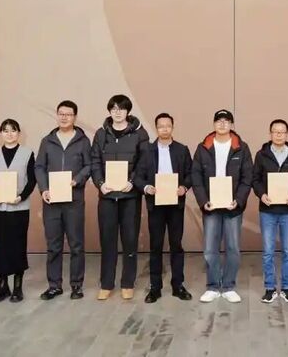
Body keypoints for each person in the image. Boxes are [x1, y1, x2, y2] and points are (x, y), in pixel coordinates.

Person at [191, 110, 253, 303]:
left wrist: (239, 200)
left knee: (233, 248)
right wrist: (203, 201)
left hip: (232, 207)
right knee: (210, 249)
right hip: (210, 206)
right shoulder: (203, 147)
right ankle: (212, 286)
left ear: (232, 125)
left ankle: (228, 286)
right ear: (213, 124)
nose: (223, 124)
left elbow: (247, 177)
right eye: (219, 121)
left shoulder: (241, 147)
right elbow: (196, 176)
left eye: (227, 121)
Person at [90, 94, 149, 301]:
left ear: (128, 111)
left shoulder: (140, 134)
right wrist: (100, 183)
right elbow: (95, 161)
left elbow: (144, 162)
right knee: (107, 241)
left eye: (121, 108)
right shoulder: (101, 134)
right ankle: (106, 284)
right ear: (109, 111)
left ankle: (127, 283)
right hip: (107, 196)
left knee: (130, 240)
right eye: (114, 108)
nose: (117, 112)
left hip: (130, 196)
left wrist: (132, 182)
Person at [35, 100, 92, 300]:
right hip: (52, 201)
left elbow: (89, 165)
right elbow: (39, 167)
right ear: (57, 115)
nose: (64, 117)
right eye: (61, 113)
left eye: (68, 114)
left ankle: (76, 285)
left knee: (76, 245)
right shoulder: (47, 141)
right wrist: (44, 189)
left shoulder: (83, 141)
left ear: (75, 117)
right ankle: (54, 286)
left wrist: (77, 179)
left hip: (74, 200)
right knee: (53, 245)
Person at [134, 112, 193, 303]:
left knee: (176, 246)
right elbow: (137, 176)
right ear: (156, 128)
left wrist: (184, 187)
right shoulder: (146, 150)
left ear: (172, 127)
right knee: (156, 246)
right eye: (161, 126)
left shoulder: (182, 150)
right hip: (155, 205)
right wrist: (146, 187)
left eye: (168, 126)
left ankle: (178, 286)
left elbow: (191, 174)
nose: (164, 129)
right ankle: (155, 288)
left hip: (176, 205)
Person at [0, 119, 36, 303]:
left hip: (19, 207)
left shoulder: (27, 153)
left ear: (18, 133)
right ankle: (3, 286)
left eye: (13, 130)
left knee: (18, 245)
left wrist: (21, 197)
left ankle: (18, 287)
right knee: (0, 245)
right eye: (5, 131)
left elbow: (32, 179)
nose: (9, 134)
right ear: (1, 133)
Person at [252, 119, 288, 304]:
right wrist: (261, 194)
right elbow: (255, 179)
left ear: (287, 134)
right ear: (270, 133)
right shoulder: (262, 155)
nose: (279, 135)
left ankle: (287, 288)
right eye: (275, 131)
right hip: (268, 210)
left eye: (282, 132)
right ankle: (270, 288)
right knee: (268, 252)